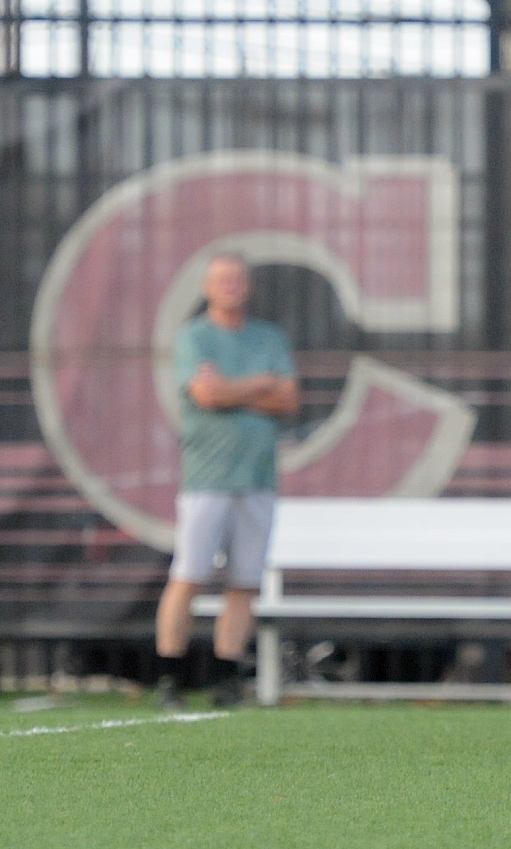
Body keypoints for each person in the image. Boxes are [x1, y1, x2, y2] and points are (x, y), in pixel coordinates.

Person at [155, 253, 299, 710]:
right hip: (208, 479)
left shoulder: (268, 337)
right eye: (221, 279)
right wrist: (259, 384)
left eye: (237, 278)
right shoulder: (194, 338)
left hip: (258, 478)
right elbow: (205, 394)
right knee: (189, 576)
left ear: (248, 285)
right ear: (207, 287)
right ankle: (171, 677)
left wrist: (232, 390)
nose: (230, 286)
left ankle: (225, 677)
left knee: (244, 583)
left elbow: (288, 398)